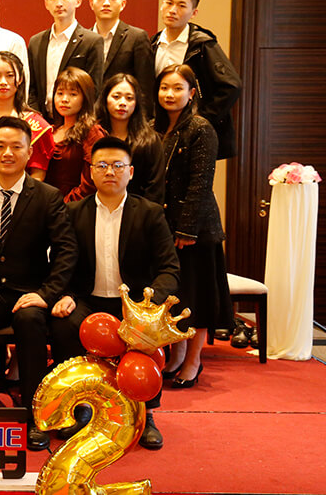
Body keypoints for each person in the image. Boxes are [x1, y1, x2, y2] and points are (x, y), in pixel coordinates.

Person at [50, 136, 180, 450]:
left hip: (133, 304)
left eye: (118, 165)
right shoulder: (73, 212)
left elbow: (170, 268)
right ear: (91, 172)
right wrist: (65, 293)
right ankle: (81, 407)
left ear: (130, 172)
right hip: (87, 300)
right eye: (102, 165)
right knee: (63, 324)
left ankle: (146, 411)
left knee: (146, 330)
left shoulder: (149, 213)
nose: (110, 171)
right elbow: (60, 263)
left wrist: (149, 304)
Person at [0, 116, 77, 451]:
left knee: (30, 321)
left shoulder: (48, 196)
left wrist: (46, 294)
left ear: (29, 153)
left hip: (32, 291)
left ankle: (37, 416)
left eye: (16, 147)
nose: (7, 153)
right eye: (0, 146)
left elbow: (66, 250)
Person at [154, 64, 232, 388]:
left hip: (197, 230)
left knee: (197, 299)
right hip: (167, 225)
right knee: (177, 296)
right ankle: (177, 355)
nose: (170, 94)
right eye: (164, 88)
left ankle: (193, 360)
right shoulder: (159, 128)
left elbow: (201, 183)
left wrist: (187, 230)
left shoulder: (201, 128)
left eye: (177, 88)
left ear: (192, 93)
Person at [151, 0, 242, 159]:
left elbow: (232, 85)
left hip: (192, 132)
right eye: (169, 3)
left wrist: (201, 118)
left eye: (181, 5)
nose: (172, 10)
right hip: (161, 128)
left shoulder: (202, 45)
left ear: (193, 13)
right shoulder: (153, 43)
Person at [28, 0, 103, 116]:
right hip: (42, 120)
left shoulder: (92, 41)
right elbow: (32, 87)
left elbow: (94, 90)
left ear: (78, 1)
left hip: (77, 119)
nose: (59, 3)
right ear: (46, 4)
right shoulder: (36, 42)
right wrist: (37, 119)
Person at [0, 51, 55, 180]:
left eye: (10, 76)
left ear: (20, 79)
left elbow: (38, 175)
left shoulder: (35, 124)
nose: (3, 82)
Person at [88, 0, 155, 117]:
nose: (106, 3)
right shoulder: (83, 39)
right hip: (89, 119)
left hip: (125, 118)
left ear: (123, 4)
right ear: (91, 3)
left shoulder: (137, 37)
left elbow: (145, 89)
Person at [95, 73, 164, 204]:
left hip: (139, 210)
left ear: (137, 103)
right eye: (116, 97)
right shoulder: (93, 135)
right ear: (105, 99)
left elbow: (155, 188)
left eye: (129, 98)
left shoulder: (150, 140)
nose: (122, 103)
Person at [45, 67, 106, 203]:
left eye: (73, 94)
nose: (64, 99)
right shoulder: (50, 130)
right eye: (60, 93)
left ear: (85, 98)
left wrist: (62, 206)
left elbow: (91, 183)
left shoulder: (92, 133)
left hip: (75, 206)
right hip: (46, 203)